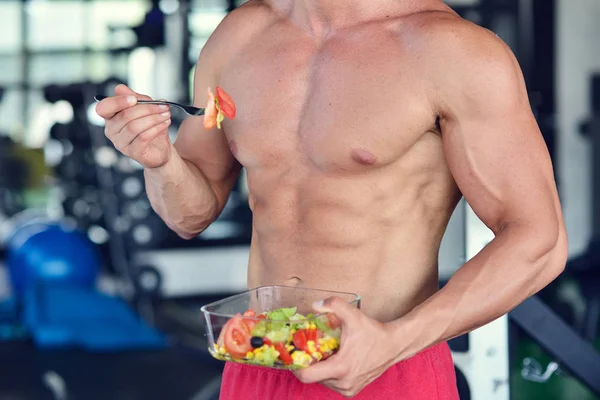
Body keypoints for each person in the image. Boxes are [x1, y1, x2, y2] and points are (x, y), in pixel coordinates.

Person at [96, 0, 568, 398]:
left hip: (385, 365)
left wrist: (395, 340)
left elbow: (539, 240)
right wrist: (161, 163)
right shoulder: (239, 35)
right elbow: (189, 217)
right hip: (258, 359)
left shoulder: (452, 51)